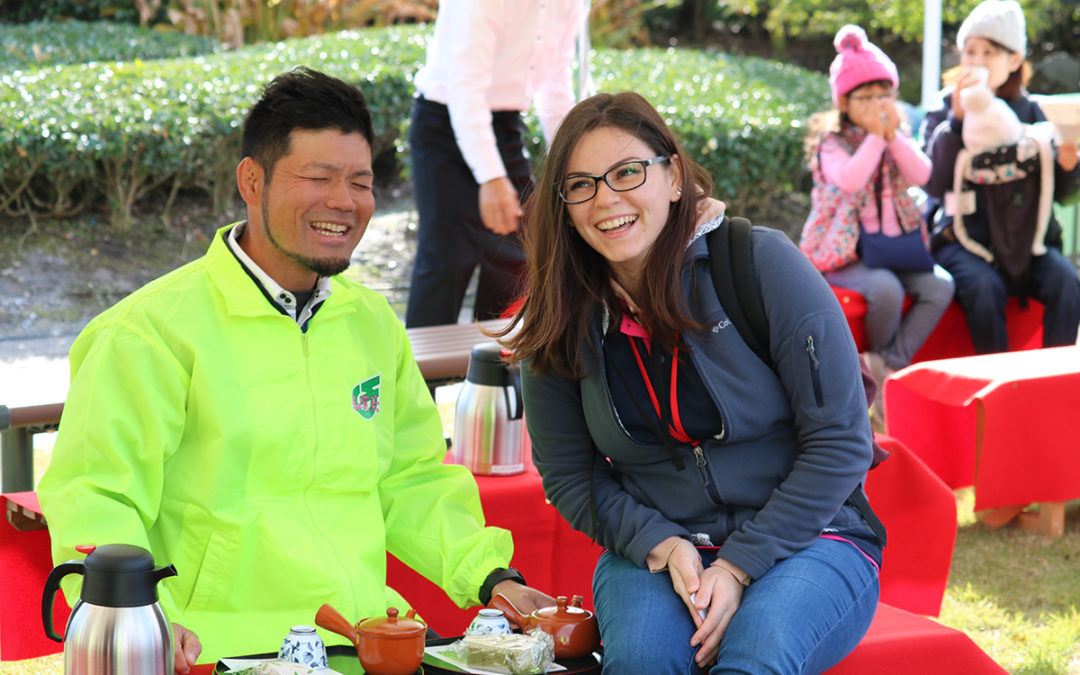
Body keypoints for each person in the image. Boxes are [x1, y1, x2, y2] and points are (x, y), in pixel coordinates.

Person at [37, 67, 553, 671]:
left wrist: (495, 578)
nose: (344, 201)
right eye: (318, 177)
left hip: (361, 637)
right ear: (251, 181)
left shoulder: (369, 323)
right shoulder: (148, 331)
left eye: (360, 182)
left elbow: (412, 479)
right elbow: (97, 493)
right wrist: (140, 618)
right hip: (216, 648)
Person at [499, 91, 882, 673]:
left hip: (813, 535)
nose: (606, 200)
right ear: (565, 207)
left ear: (673, 176)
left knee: (756, 655)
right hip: (657, 548)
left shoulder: (758, 264)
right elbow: (569, 477)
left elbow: (840, 442)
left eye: (627, 172)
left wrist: (738, 564)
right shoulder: (561, 315)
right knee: (642, 664)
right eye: (580, 185)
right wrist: (661, 541)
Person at [800, 25, 954, 422]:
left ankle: (886, 363)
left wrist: (892, 138)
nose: (876, 104)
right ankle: (878, 378)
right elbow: (850, 180)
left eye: (883, 94)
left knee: (940, 286)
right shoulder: (832, 142)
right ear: (844, 103)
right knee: (884, 289)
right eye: (864, 97)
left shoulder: (896, 132)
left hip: (895, 245)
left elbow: (922, 174)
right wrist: (874, 139)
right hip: (847, 249)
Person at [404, 0, 583, 328]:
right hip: (443, 121)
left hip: (505, 125)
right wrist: (490, 176)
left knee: (516, 260)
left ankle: (497, 372)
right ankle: (418, 378)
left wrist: (576, 165)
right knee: (446, 261)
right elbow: (465, 88)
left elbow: (555, 87)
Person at [921, 0, 1080, 354]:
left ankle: (1052, 384)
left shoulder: (1034, 112)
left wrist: (1069, 166)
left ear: (1013, 61)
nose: (975, 62)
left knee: (1066, 282)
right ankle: (995, 390)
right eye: (969, 51)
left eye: (988, 52)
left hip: (1030, 242)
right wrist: (957, 123)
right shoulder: (944, 107)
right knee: (982, 287)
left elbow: (1063, 196)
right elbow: (933, 182)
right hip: (962, 241)